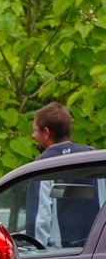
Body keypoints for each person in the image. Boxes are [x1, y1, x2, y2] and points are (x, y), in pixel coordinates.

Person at [25, 102, 96, 247]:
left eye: (35, 130)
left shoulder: (43, 165)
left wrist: (34, 252)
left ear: (46, 132)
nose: (33, 135)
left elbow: (40, 218)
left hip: (62, 254)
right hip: (95, 250)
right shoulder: (92, 157)